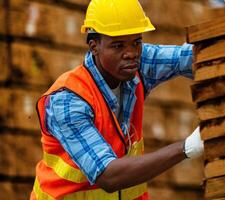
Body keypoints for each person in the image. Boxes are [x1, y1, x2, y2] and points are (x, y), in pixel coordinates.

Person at [30, 0, 203, 199]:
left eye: (136, 42)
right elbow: (108, 176)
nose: (130, 53)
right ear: (94, 47)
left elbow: (193, 57)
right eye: (118, 45)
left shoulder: (137, 62)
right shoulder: (68, 101)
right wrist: (188, 147)